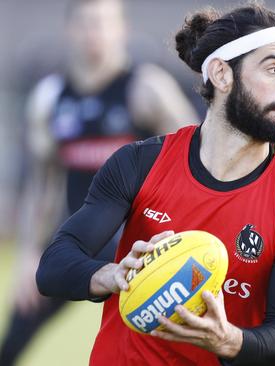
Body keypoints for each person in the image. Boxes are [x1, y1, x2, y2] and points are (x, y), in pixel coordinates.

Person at [36, 3, 275, 365]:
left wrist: (228, 340)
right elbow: (53, 267)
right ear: (221, 74)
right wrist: (111, 275)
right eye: (273, 68)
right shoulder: (138, 162)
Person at [0, 0, 197, 364]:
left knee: (165, 349)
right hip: (77, 241)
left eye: (104, 24)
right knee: (14, 336)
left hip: (142, 245)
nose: (95, 33)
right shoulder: (50, 98)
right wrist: (30, 255)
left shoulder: (147, 89)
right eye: (87, 24)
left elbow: (195, 156)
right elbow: (42, 186)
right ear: (70, 31)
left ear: (121, 29)